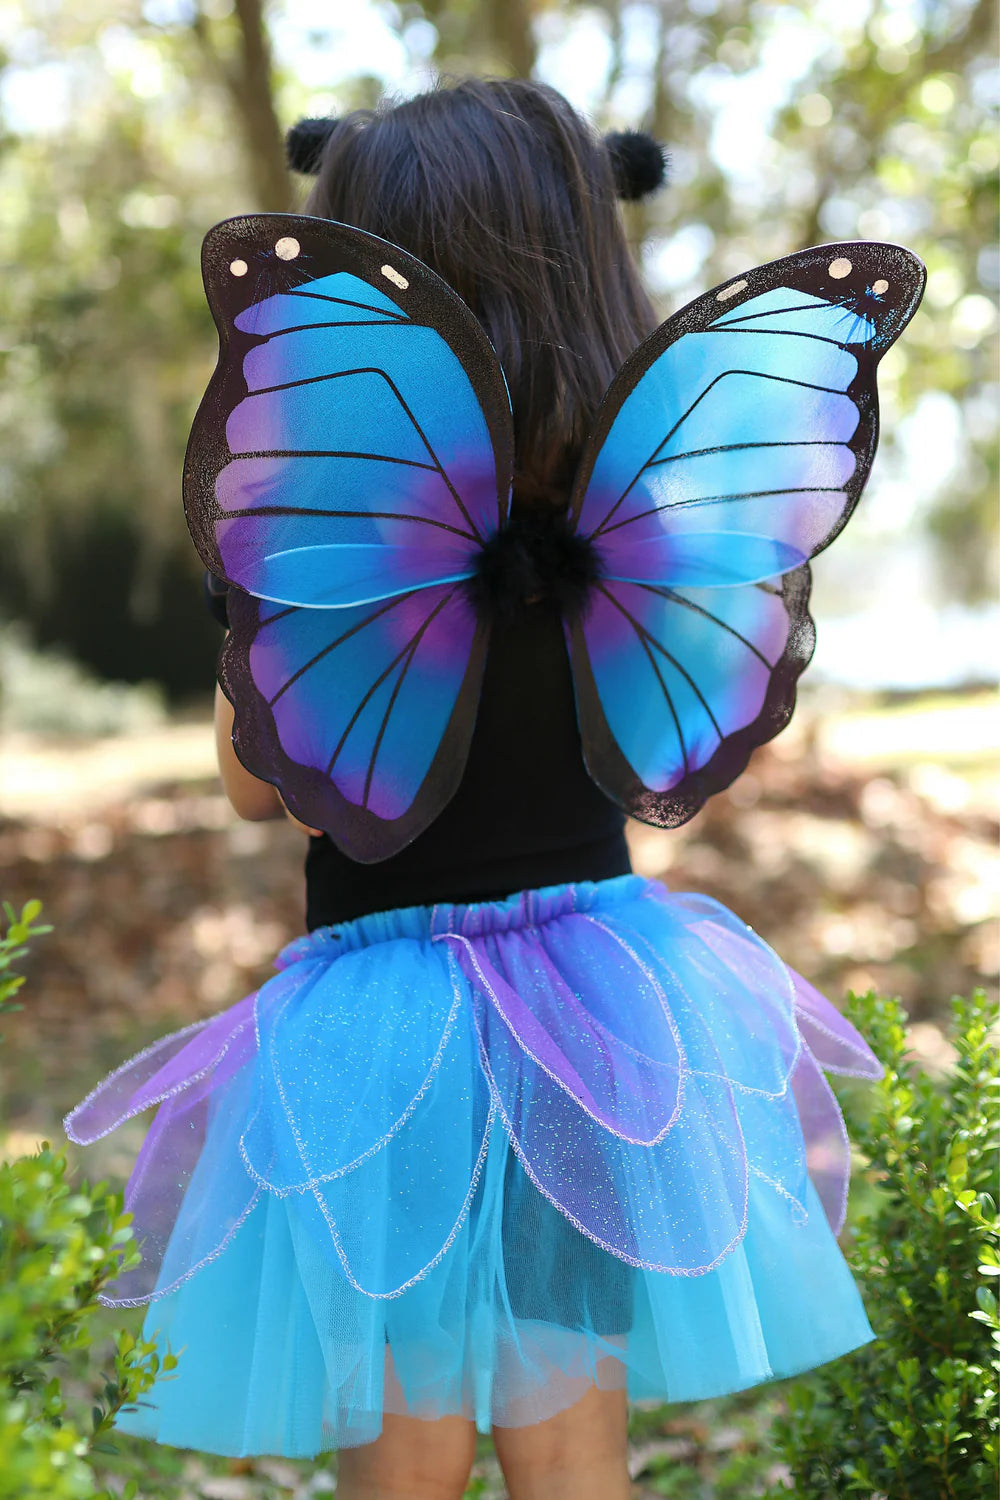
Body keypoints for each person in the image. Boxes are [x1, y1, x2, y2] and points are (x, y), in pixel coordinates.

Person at [66, 77, 906, 1500]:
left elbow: (257, 790)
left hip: (378, 1039)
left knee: (399, 1441)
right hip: (598, 1013)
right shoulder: (646, 501)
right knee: (575, 1445)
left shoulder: (325, 501)